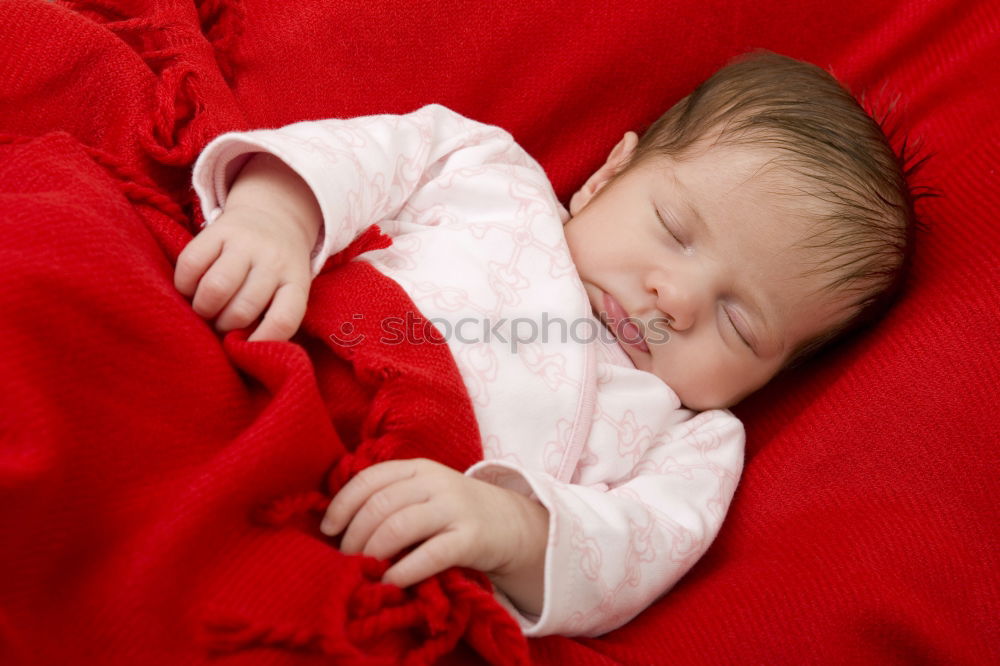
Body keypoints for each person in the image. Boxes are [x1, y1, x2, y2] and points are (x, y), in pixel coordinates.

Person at [174, 50, 915, 637]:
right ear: (605, 178)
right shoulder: (495, 179)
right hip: (257, 359)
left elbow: (635, 547)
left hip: (357, 534)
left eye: (740, 322)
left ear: (774, 377)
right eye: (675, 230)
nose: (678, 300)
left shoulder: (690, 443)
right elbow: (367, 155)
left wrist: (512, 529)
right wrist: (277, 217)